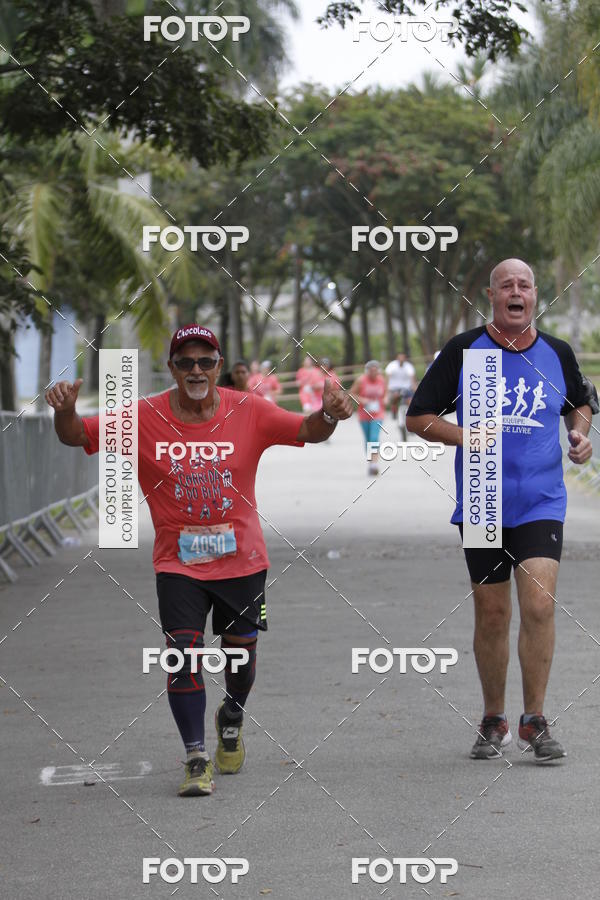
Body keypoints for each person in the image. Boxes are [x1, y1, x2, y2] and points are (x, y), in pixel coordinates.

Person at [44, 324, 353, 797]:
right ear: (171, 369)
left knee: (240, 656)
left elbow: (307, 430)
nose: (195, 370)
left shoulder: (247, 409)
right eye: (185, 362)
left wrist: (329, 416)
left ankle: (232, 714)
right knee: (183, 656)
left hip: (242, 561)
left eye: (205, 361)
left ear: (217, 366)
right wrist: (64, 412)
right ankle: (194, 756)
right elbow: (75, 436)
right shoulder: (142, 417)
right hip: (178, 563)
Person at [406, 259, 598, 763]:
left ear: (536, 296)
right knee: (492, 614)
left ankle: (534, 720)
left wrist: (580, 436)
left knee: (539, 604)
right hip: (484, 498)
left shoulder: (556, 352)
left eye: (525, 285)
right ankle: (494, 718)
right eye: (506, 285)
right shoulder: (464, 350)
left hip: (540, 499)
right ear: (490, 295)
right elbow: (418, 417)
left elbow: (581, 402)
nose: (516, 292)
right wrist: (467, 436)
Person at [351, 360, 387, 477]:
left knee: (374, 437)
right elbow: (352, 394)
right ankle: (371, 463)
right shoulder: (361, 380)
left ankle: (374, 464)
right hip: (364, 414)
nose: (373, 373)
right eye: (371, 371)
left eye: (376, 371)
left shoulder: (382, 380)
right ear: (367, 371)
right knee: (367, 439)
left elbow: (386, 393)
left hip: (378, 413)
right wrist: (363, 400)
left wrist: (386, 399)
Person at [385, 351, 416, 419]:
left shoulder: (408, 366)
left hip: (406, 388)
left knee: (410, 401)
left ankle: (410, 415)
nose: (401, 359)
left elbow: (412, 379)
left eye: (403, 357)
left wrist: (415, 390)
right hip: (394, 388)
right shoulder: (392, 366)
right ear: (397, 358)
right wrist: (386, 392)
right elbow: (387, 378)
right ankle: (394, 410)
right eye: (400, 357)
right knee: (395, 396)